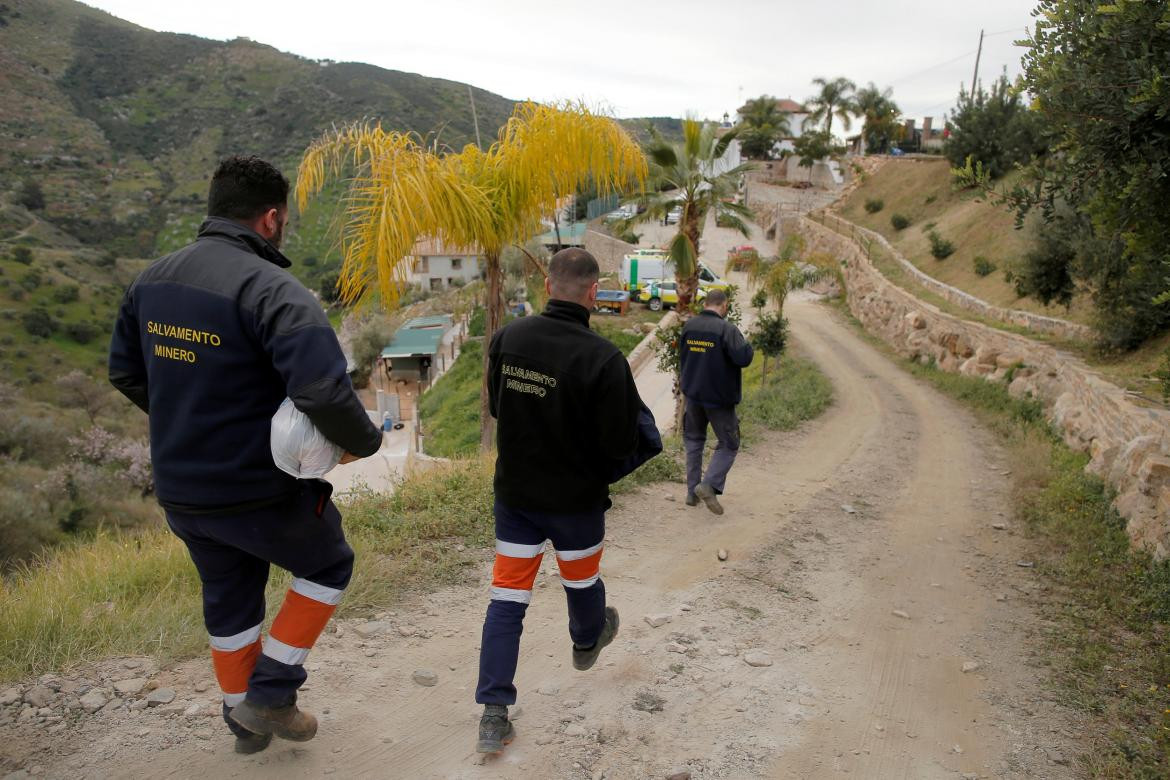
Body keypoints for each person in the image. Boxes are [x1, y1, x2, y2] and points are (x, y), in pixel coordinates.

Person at [108, 156, 382, 754]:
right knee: (327, 563)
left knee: (229, 596)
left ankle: (242, 722)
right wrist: (366, 441)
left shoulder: (150, 280)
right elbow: (320, 391)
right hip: (257, 489)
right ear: (271, 218)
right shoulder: (274, 290)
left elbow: (125, 373)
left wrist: (188, 417)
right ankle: (272, 693)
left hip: (182, 488)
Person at [474, 248, 645, 753]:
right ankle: (587, 637)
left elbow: (501, 408)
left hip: (517, 500)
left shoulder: (509, 337)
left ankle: (492, 713)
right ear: (594, 293)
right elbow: (619, 445)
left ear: (547, 286)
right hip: (575, 504)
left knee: (507, 601)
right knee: (582, 580)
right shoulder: (603, 359)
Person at [679, 288, 754, 515]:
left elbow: (683, 358)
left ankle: (692, 493)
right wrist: (747, 342)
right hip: (719, 401)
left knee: (693, 440)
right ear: (724, 306)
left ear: (705, 304)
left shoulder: (689, 326)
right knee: (729, 444)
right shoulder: (726, 329)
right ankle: (708, 485)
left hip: (692, 396)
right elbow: (743, 358)